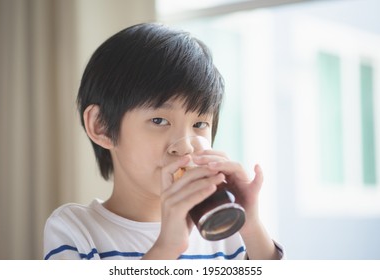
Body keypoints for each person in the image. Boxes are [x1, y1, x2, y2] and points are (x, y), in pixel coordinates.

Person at [43, 22, 283, 260]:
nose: (186, 145)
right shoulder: (74, 230)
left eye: (199, 124)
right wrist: (167, 248)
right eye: (159, 120)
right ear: (101, 126)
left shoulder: (225, 231)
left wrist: (251, 226)